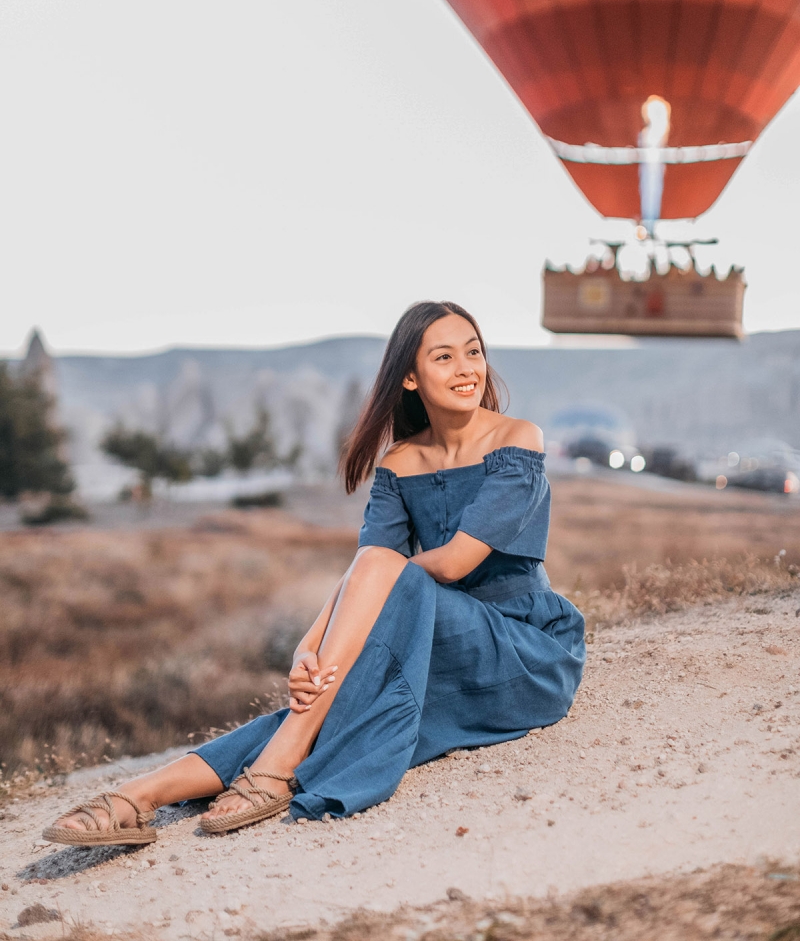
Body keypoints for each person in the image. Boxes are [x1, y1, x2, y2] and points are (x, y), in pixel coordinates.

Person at [44, 301, 585, 846]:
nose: (467, 368)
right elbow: (368, 569)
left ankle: (276, 765)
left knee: (359, 630)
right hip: (433, 644)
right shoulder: (399, 463)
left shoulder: (517, 439)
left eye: (474, 351)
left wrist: (354, 610)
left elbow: (450, 563)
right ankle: (143, 795)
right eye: (444, 356)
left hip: (520, 654)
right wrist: (310, 647)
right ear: (411, 377)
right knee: (338, 701)